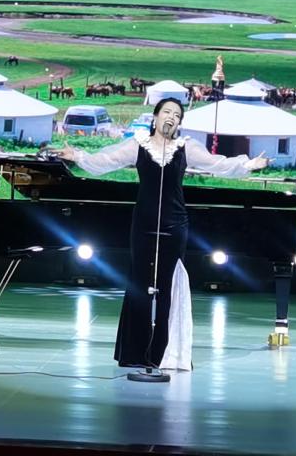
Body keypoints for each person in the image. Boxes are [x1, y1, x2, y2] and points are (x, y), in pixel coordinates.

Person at [56, 98, 268, 370]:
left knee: (168, 285)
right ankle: (135, 352)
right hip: (143, 224)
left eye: (177, 115)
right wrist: (78, 156)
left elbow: (217, 164)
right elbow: (107, 160)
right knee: (140, 282)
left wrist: (248, 165)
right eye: (166, 112)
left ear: (179, 123)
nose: (171, 117)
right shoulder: (138, 144)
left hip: (174, 224)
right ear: (155, 117)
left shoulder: (186, 147)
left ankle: (166, 353)